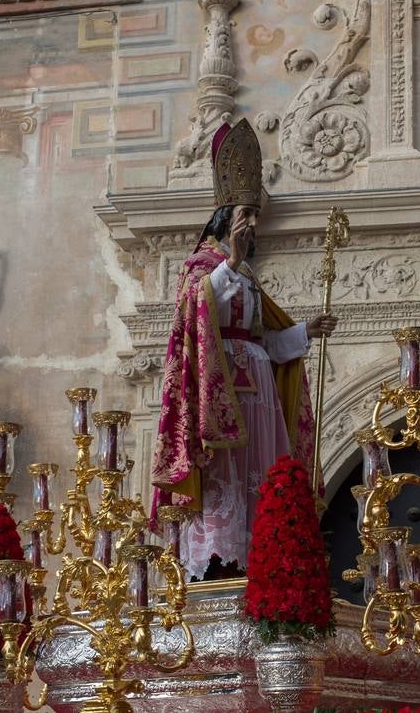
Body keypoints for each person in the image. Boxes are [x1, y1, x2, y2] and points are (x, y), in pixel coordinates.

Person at [151, 120, 337, 580]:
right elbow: (197, 314)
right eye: (245, 216)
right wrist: (230, 262)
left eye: (255, 217)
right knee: (226, 475)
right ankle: (218, 557)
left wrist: (303, 333)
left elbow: (263, 341)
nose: (252, 226)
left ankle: (264, 547)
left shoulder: (248, 276)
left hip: (260, 397)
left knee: (263, 473)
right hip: (221, 398)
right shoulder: (201, 267)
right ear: (224, 217)